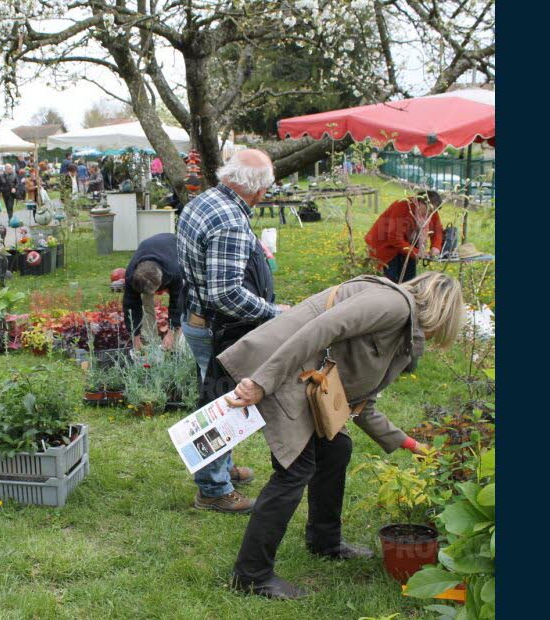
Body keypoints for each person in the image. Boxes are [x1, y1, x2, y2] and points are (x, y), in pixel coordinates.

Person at [222, 272, 463, 599]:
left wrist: (412, 445)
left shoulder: (401, 333)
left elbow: (362, 403)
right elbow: (323, 327)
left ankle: (324, 541)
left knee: (336, 447)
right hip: (284, 367)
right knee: (294, 471)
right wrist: (262, 381)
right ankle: (251, 574)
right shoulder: (391, 304)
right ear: (442, 312)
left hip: (306, 378)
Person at [177, 149, 288, 514]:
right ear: (257, 191)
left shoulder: (206, 200)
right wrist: (273, 312)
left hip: (197, 318)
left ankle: (221, 469)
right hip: (215, 327)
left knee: (216, 397)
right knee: (220, 404)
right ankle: (212, 489)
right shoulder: (230, 222)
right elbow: (225, 294)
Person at [365, 190, 444, 283]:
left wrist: (436, 247)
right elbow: (394, 238)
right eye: (429, 210)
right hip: (385, 246)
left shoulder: (431, 211)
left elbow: (438, 231)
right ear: (420, 202)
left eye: (433, 211)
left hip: (407, 247)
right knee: (390, 282)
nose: (431, 213)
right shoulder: (403, 206)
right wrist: (416, 252)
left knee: (409, 282)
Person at [122, 233, 184, 351]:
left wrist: (170, 332)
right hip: (149, 249)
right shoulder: (131, 275)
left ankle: (175, 346)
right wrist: (135, 338)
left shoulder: (174, 271)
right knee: (146, 303)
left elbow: (177, 303)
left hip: (174, 246)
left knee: (183, 305)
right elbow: (130, 307)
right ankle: (150, 340)